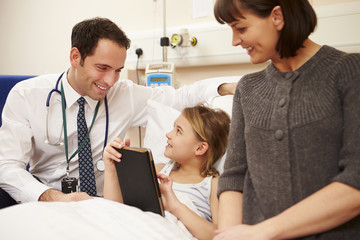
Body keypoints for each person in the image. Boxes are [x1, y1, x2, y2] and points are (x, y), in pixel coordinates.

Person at [0, 17, 236, 209]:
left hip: (106, 206)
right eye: (102, 68)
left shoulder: (125, 95)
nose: (110, 81)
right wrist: (51, 196)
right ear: (75, 57)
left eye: (118, 70)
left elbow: (181, 97)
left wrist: (227, 87)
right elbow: (7, 166)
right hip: (47, 201)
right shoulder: (27, 95)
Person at [212, 0, 360, 240]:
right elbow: (234, 177)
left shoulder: (349, 72)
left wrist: (262, 232)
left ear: (277, 17)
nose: (234, 41)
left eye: (240, 28)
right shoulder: (248, 90)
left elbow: (356, 181)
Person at [103, 104, 231, 240]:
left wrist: (174, 206)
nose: (168, 134)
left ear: (200, 148)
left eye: (179, 131)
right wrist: (112, 169)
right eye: (173, 128)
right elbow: (115, 209)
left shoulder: (213, 185)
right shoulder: (157, 171)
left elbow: (218, 235)